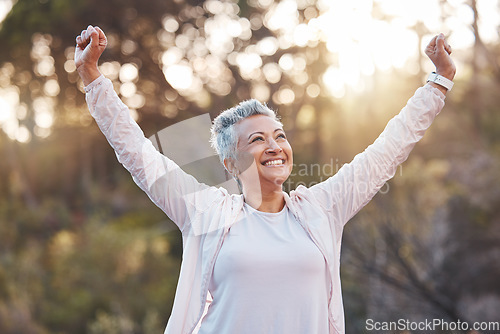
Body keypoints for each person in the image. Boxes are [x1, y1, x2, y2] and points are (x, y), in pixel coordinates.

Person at [75, 24, 455, 334]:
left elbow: (387, 151)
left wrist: (439, 83)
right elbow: (139, 155)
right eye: (257, 140)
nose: (275, 146)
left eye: (280, 136)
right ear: (230, 163)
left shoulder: (322, 210)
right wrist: (92, 78)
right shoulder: (205, 211)